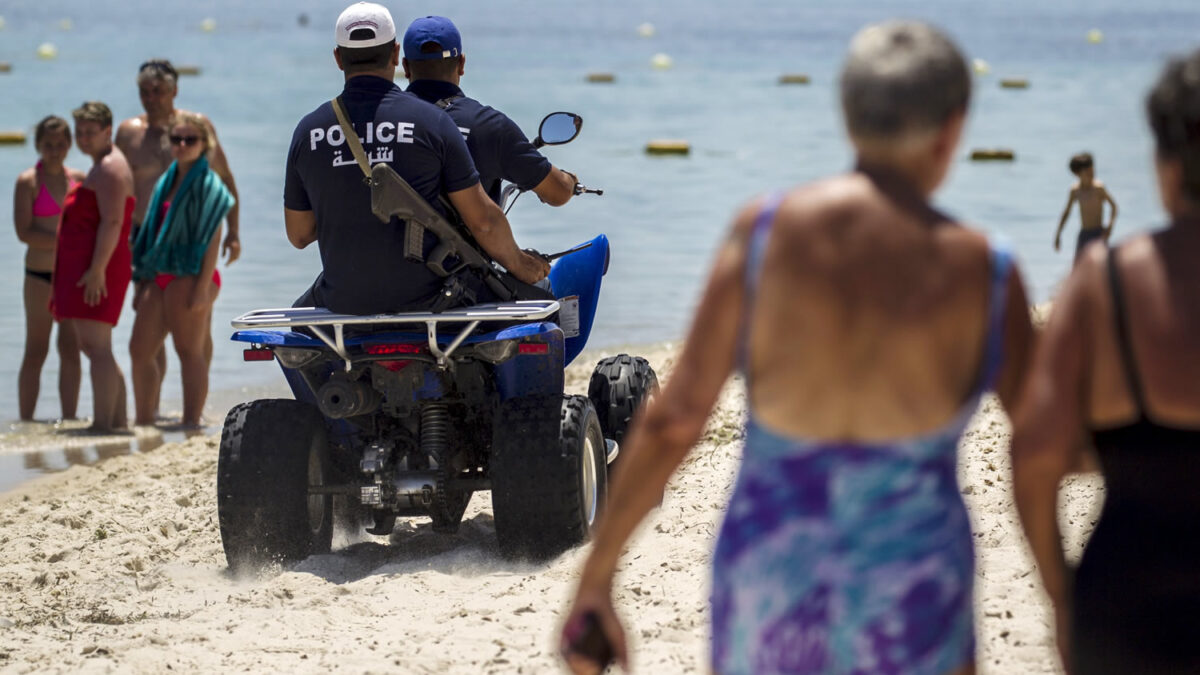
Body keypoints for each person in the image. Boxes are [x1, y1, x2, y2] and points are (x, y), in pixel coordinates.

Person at [561, 21, 1033, 675]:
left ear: (847, 115)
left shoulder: (764, 235)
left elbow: (674, 421)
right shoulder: (985, 269)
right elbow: (1045, 440)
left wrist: (597, 576)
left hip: (773, 572)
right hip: (914, 580)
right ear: (953, 127)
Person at [1013, 48, 1200, 675]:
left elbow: (1036, 458)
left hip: (1126, 604)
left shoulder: (1103, 284)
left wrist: (1061, 602)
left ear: (1167, 167)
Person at [284, 2, 548, 316]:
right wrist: (524, 266)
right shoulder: (432, 122)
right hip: (437, 303)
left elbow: (299, 235)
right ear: (395, 56)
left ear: (338, 59)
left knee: (293, 336)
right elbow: (483, 222)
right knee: (542, 300)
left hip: (345, 304)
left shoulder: (308, 131)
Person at [115, 59, 239, 419]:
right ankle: (149, 415)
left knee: (192, 341)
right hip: (148, 246)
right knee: (147, 343)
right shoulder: (128, 133)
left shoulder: (196, 132)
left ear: (174, 91)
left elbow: (225, 184)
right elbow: (116, 182)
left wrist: (235, 232)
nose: (151, 98)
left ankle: (191, 417)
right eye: (145, 91)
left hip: (192, 252)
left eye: (159, 91)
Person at [401, 16, 578, 207]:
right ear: (461, 64)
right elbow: (558, 193)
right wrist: (569, 181)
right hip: (465, 236)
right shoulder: (488, 125)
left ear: (405, 67)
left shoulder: (380, 119)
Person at [52, 102, 135, 432]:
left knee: (95, 346)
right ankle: (116, 421)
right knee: (98, 347)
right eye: (80, 132)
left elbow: (114, 222)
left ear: (107, 131)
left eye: (90, 131)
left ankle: (103, 424)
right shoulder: (101, 165)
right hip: (91, 266)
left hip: (100, 267)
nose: (84, 138)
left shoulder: (112, 167)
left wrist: (97, 269)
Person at [12, 115, 84, 421]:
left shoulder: (78, 179)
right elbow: (24, 232)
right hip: (38, 277)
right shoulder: (28, 181)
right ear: (38, 145)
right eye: (47, 144)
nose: (54, 150)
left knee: (70, 349)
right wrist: (63, 244)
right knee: (36, 350)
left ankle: (69, 420)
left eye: (59, 144)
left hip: (70, 277)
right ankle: (26, 425)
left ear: (69, 146)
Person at [1054, 152, 1119, 262]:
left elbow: (1113, 206)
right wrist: (1058, 234)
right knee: (1079, 266)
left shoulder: (1098, 188)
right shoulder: (1075, 190)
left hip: (1099, 233)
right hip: (1084, 233)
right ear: (1078, 174)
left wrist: (1110, 226)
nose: (1091, 173)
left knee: (1101, 267)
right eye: (1088, 172)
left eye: (1092, 170)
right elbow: (1067, 212)